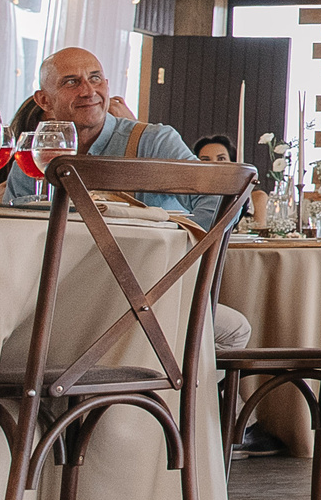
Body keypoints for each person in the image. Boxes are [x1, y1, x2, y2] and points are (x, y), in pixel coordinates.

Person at [27, 49, 252, 355]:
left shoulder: (153, 141)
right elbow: (16, 217)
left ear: (107, 84)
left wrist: (182, 252)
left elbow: (223, 194)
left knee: (232, 329)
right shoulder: (36, 153)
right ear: (44, 100)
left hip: (146, 296)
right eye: (71, 82)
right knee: (235, 330)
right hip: (59, 301)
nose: (88, 91)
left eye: (95, 79)